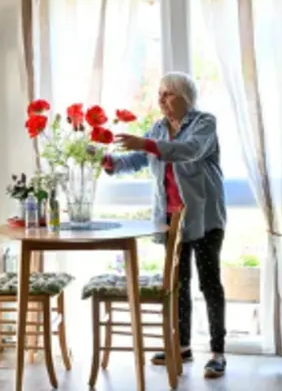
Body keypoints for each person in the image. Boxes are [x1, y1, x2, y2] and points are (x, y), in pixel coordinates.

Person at [102, 72, 228, 379]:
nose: (161, 99)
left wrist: (147, 143)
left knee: (209, 283)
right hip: (172, 220)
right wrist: (111, 163)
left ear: (186, 97)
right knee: (178, 284)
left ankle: (218, 353)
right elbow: (139, 158)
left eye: (168, 94)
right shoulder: (158, 128)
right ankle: (182, 346)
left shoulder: (204, 123)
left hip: (205, 217)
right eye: (159, 94)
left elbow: (189, 150)